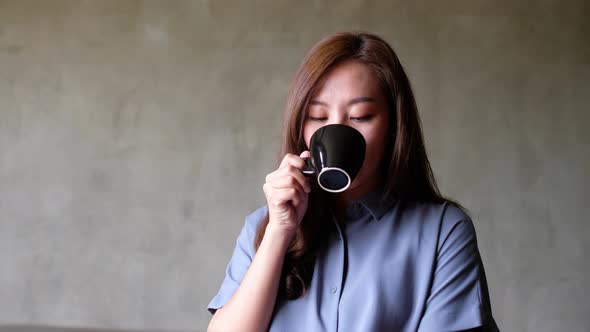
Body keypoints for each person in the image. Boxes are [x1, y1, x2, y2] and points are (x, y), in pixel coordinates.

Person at [206, 32, 499, 332]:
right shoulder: (262, 229)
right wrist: (279, 233)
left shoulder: (442, 232)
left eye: (360, 116)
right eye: (318, 117)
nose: (336, 129)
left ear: (394, 128)